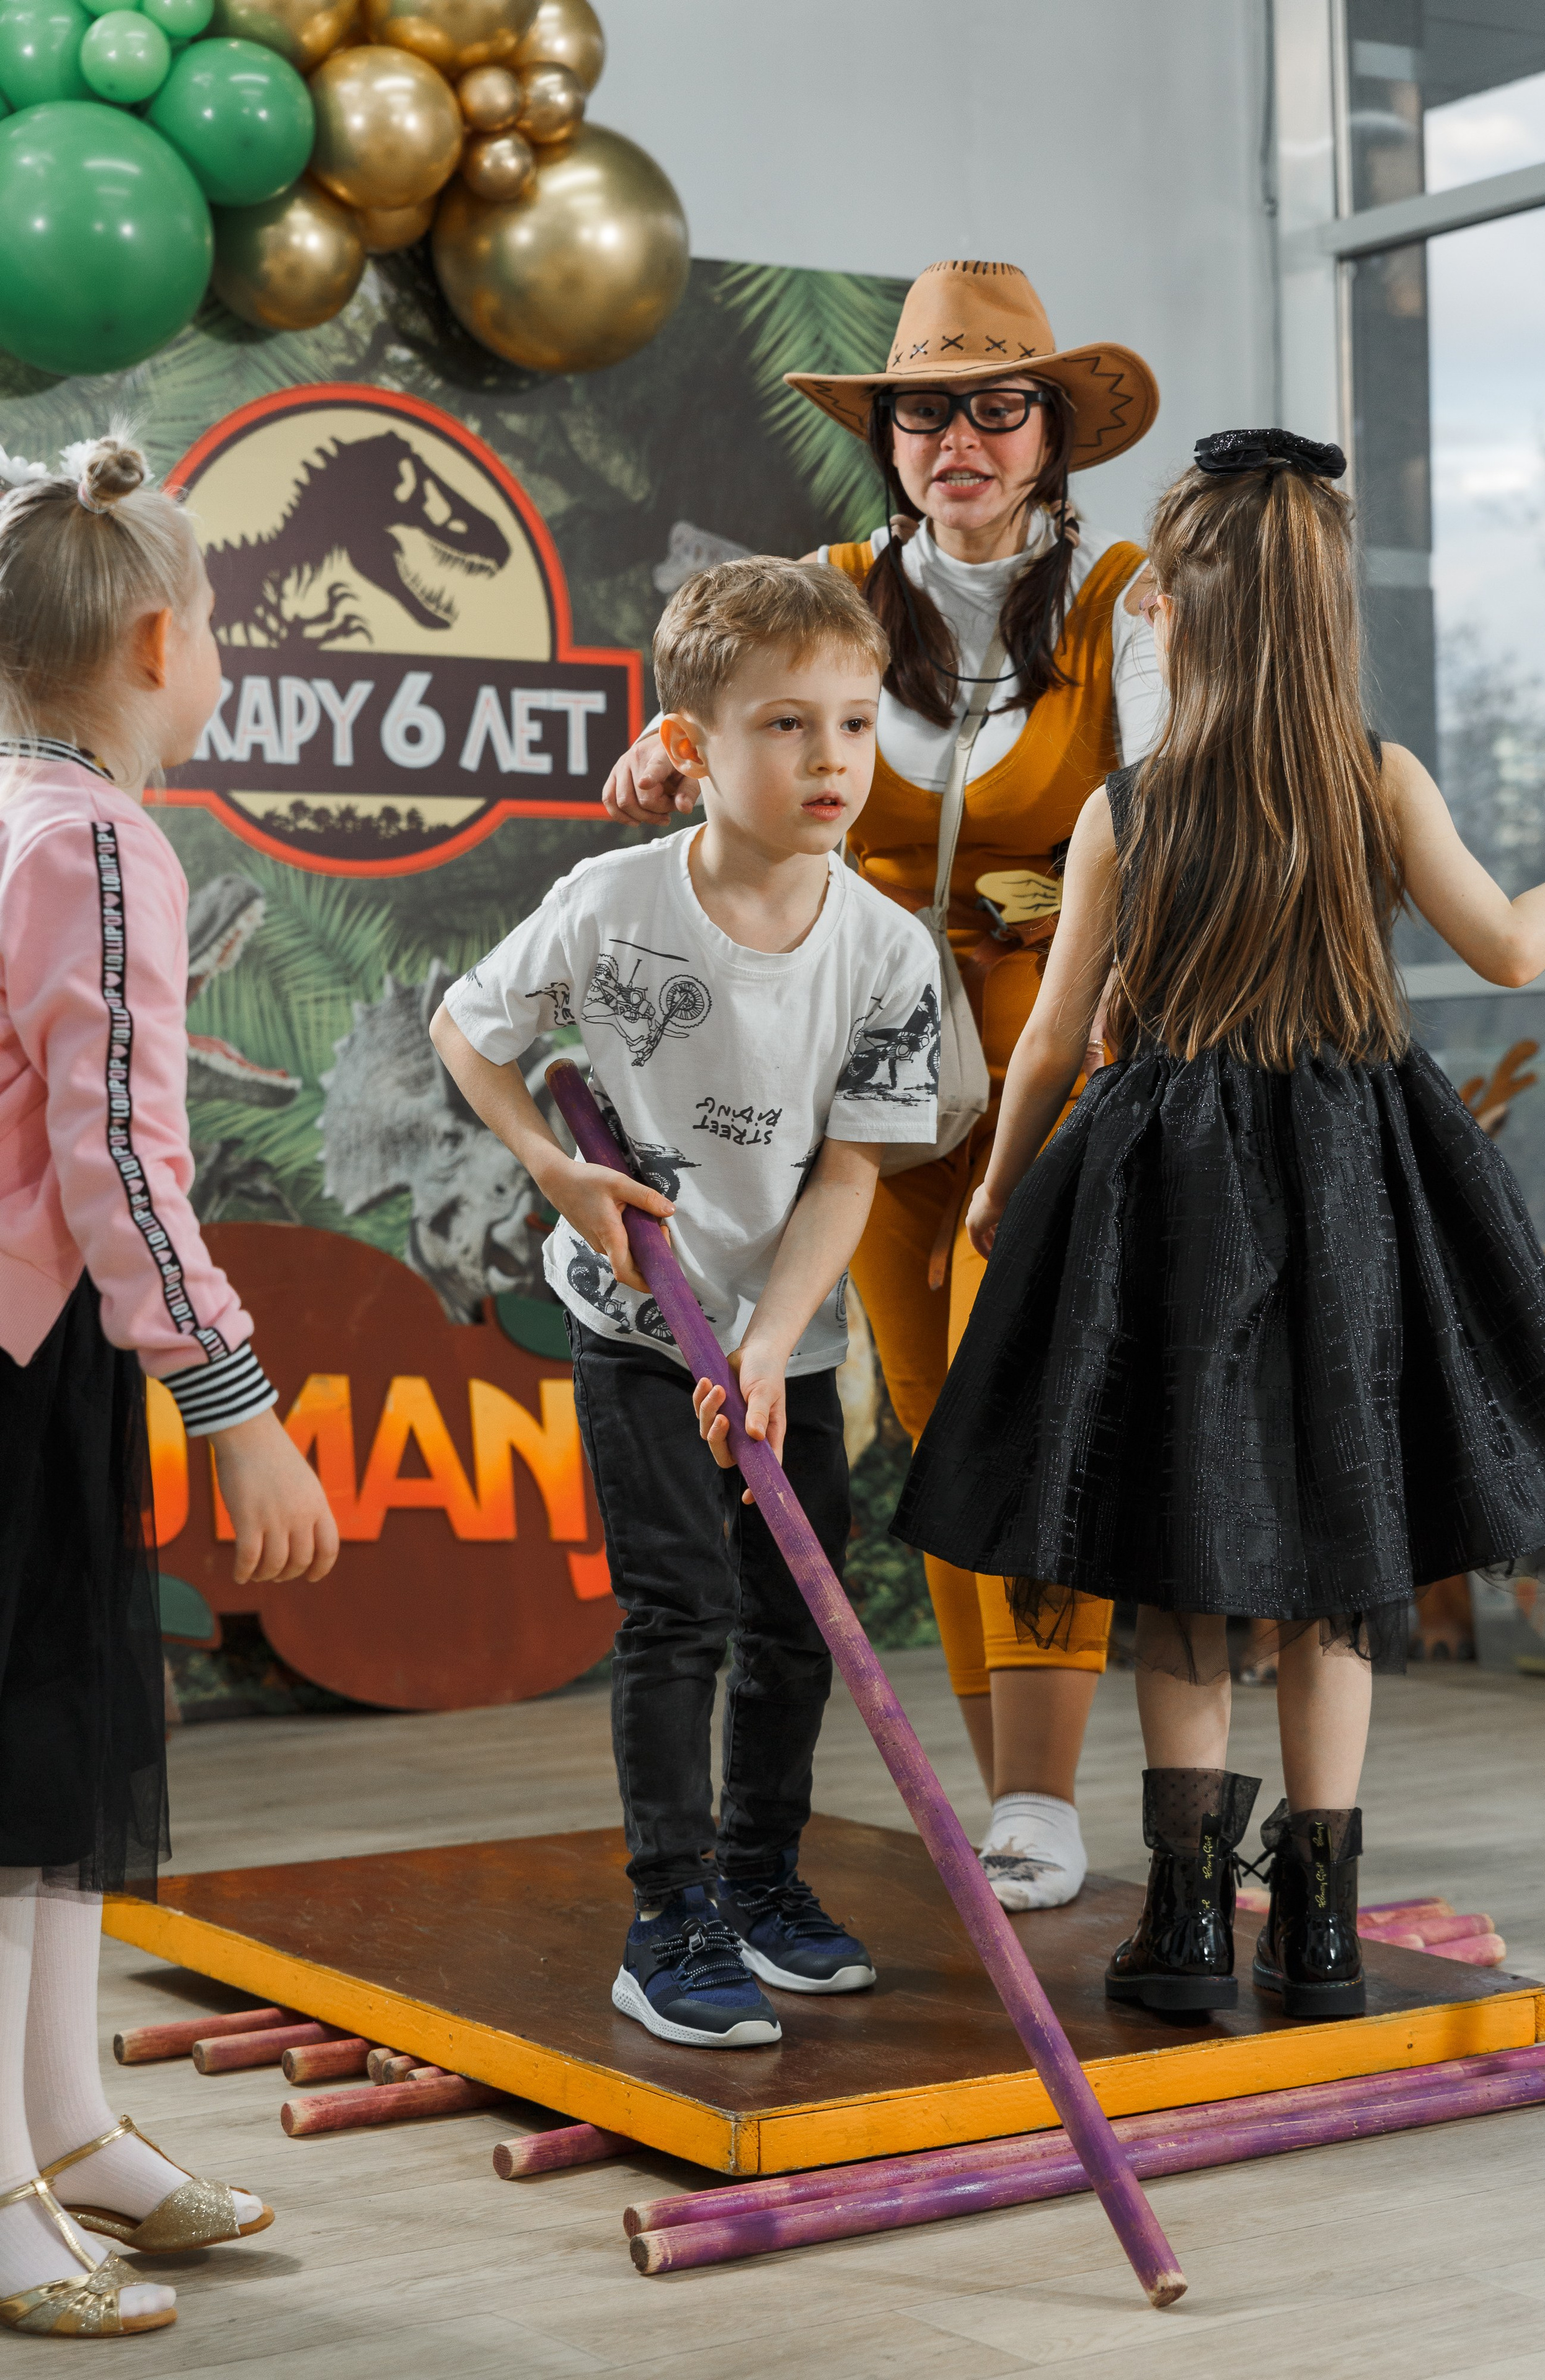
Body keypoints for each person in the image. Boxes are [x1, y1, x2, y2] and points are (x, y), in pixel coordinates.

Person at [894, 428, 1545, 2021]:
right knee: (1337, 1565)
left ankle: (1191, 1924)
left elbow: (1055, 1040)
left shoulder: (1129, 810)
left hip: (1175, 1196)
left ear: (1181, 613)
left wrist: (1001, 1188)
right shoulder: (1380, 781)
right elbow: (1501, 947)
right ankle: (1324, 1930)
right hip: (1353, 1179)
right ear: (1323, 611)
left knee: (1190, 1561)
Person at [604, 260, 1163, 1911]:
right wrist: (667, 743)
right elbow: (731, 706)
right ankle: (1003, 1802)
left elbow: (1177, 796)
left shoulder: (1128, 596)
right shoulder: (839, 583)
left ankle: (1049, 1799)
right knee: (931, 1417)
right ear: (891, 436)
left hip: (1051, 1059)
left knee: (1031, 1397)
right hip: (866, 1060)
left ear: (1052, 433)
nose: (963, 437)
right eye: (930, 409)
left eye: (1002, 407)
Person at [433, 558, 938, 2048]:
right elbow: (473, 1034)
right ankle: (669, 1924)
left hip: (787, 1332)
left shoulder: (885, 951)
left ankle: (762, 1885)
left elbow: (847, 1178)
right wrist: (549, 1166)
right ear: (691, 741)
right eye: (786, 725)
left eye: (855, 723)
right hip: (638, 1324)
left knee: (792, 1617)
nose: (831, 759)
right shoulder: (609, 904)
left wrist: (775, 1345)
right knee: (681, 1613)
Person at [0, 431, 339, 2337]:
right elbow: (120, 1159)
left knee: (56, 1769)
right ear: (154, 639)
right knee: (17, 1774)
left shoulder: (10, 811)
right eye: (213, 623)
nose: (216, 652)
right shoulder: (100, 841)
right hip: (26, 1361)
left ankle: (66, 2126)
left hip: (35, 1352)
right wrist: (237, 1399)